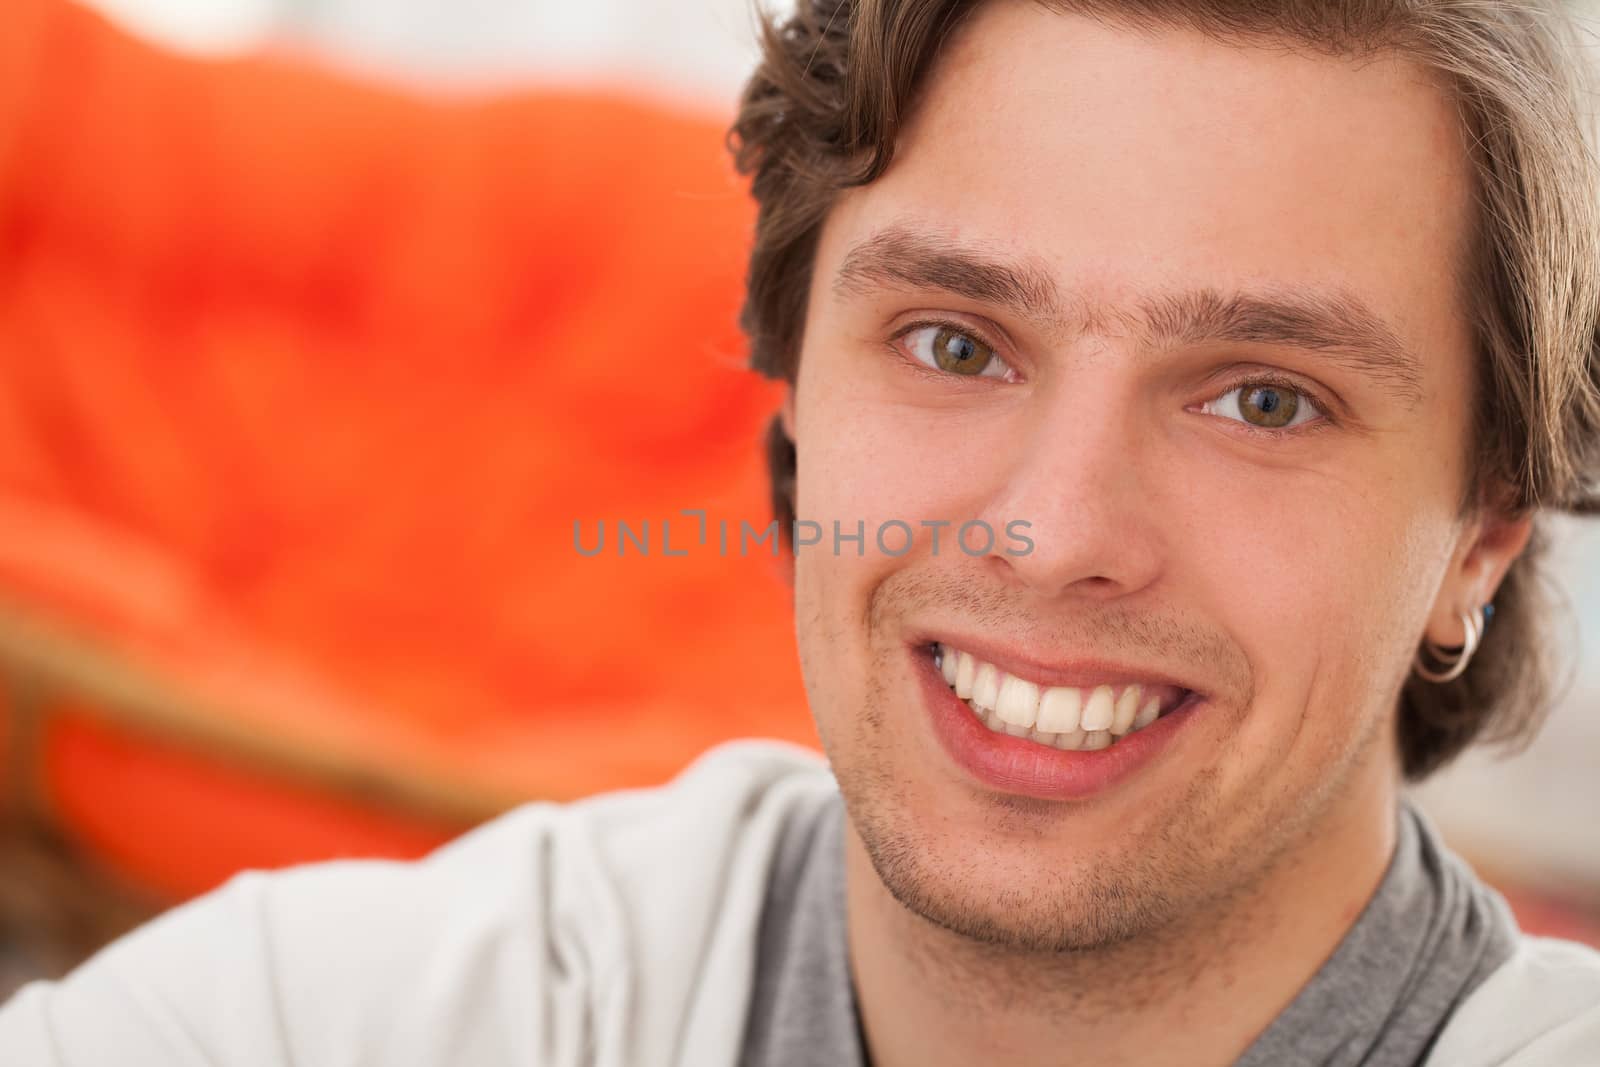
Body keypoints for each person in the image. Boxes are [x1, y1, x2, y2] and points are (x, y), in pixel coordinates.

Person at [4, 0, 1600, 1063]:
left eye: (1262, 399)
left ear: (1480, 534)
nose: (1051, 536)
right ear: (790, 400)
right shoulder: (367, 1014)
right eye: (957, 344)